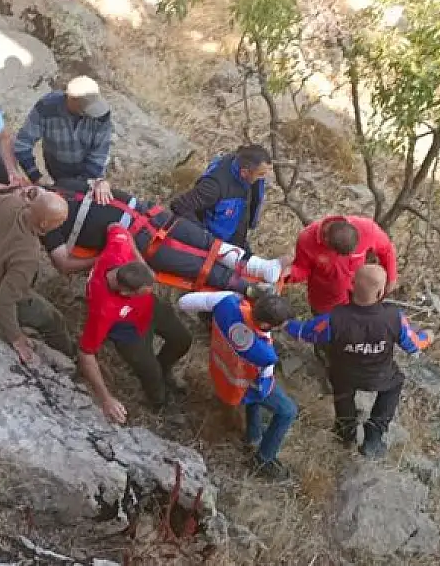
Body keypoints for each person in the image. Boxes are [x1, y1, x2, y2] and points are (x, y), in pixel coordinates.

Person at [283, 264, 433, 459]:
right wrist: (428, 337)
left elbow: (304, 332)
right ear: (380, 292)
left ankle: (345, 432)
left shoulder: (334, 319)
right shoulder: (393, 317)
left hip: (343, 373)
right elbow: (413, 345)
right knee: (395, 384)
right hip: (380, 375)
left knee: (342, 391)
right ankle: (374, 435)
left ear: (351, 286)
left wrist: (283, 322)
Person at [34, 180, 288, 294]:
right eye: (26, 196)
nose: (28, 193)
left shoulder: (62, 185)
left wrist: (102, 183)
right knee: (201, 267)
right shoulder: (48, 225)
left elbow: (97, 181)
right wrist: (104, 257)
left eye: (27, 190)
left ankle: (262, 268)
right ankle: (254, 291)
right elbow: (63, 264)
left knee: (207, 243)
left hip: (149, 214)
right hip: (138, 243)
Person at [77, 223, 193, 424]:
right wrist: (106, 399)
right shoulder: (103, 309)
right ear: (125, 293)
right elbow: (85, 353)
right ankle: (160, 403)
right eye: (144, 290)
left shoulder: (118, 251)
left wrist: (142, 265)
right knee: (150, 371)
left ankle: (165, 370)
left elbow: (117, 227)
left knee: (182, 339)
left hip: (150, 309)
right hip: (128, 330)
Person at [177, 290, 297, 481]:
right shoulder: (265, 355)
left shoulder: (226, 303)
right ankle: (264, 459)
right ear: (266, 325)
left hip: (220, 372)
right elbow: (263, 386)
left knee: (255, 398)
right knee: (288, 411)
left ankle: (253, 436)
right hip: (242, 385)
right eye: (279, 326)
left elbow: (184, 302)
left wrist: (234, 294)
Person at [0, 190, 74, 364]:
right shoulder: (27, 255)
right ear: (45, 224)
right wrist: (16, 338)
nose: (61, 225)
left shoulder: (10, 201)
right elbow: (3, 301)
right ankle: (69, 358)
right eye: (60, 221)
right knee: (54, 320)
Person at [13, 76, 114, 203]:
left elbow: (99, 155)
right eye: (85, 109)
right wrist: (36, 177)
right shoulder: (46, 107)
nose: (90, 115)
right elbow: (22, 145)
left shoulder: (102, 115)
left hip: (90, 173)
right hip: (57, 170)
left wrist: (82, 186)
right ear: (71, 100)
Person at [286, 214, 398, 315]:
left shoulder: (367, 229)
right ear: (326, 240)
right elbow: (302, 269)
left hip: (360, 297)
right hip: (328, 302)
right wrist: (287, 274)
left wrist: (391, 279)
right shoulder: (307, 240)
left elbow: (387, 249)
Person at [170, 144, 272, 250]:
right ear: (244, 172)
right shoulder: (214, 186)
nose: (264, 178)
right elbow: (180, 205)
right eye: (261, 174)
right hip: (214, 246)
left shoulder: (248, 170)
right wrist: (205, 237)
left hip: (236, 238)